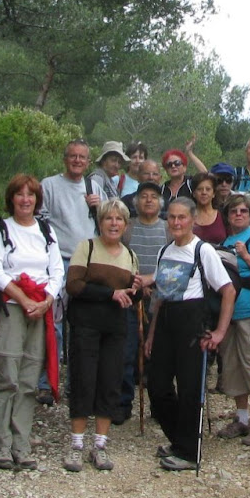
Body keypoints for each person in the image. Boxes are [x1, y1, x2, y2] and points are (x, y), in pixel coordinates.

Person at [0, 174, 65, 470]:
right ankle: (1, 444)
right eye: (20, 194)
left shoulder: (46, 230)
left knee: (28, 379)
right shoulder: (0, 231)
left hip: (40, 309)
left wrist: (46, 301)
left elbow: (56, 270)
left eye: (30, 195)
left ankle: (22, 443)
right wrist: (24, 300)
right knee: (8, 377)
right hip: (12, 309)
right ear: (11, 198)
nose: (25, 200)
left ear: (37, 200)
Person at [144, 198, 235, 471]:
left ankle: (188, 451)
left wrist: (220, 331)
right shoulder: (164, 251)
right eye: (171, 217)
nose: (176, 222)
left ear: (193, 219)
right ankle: (179, 439)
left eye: (182, 217)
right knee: (157, 387)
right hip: (165, 322)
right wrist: (150, 335)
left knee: (189, 388)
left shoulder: (202, 251)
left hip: (192, 323)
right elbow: (159, 295)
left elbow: (228, 290)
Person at [63, 199, 141, 472]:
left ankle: (100, 444)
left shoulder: (129, 255)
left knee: (110, 381)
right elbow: (73, 285)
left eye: (119, 219)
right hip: (86, 325)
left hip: (116, 328)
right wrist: (110, 293)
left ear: (126, 224)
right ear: (100, 222)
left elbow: (132, 295)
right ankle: (76, 445)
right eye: (109, 218)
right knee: (84, 379)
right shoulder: (87, 247)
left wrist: (138, 289)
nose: (114, 223)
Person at [39, 139, 107, 404]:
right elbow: (41, 221)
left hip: (86, 262)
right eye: (72, 156)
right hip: (57, 261)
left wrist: (98, 207)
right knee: (54, 324)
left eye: (82, 157)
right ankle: (47, 383)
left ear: (88, 162)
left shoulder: (95, 186)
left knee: (81, 325)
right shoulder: (49, 185)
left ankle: (76, 384)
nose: (77, 160)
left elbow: (107, 222)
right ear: (65, 158)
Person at [215, 194, 250, 446]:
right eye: (234, 211)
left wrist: (245, 255)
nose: (238, 215)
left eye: (243, 211)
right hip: (228, 313)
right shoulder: (224, 241)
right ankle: (241, 417)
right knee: (232, 365)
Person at [117, 182, 172, 424]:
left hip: (162, 299)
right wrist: (136, 284)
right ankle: (123, 403)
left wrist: (154, 283)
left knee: (159, 354)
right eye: (143, 196)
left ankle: (160, 406)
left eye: (153, 196)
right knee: (127, 351)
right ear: (135, 202)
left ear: (160, 203)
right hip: (131, 297)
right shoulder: (126, 229)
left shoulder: (168, 229)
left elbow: (173, 262)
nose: (148, 200)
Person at [160, 146, 207, 218]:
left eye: (177, 163)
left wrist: (190, 153)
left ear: (184, 167)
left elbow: (205, 175)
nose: (173, 166)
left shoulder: (191, 184)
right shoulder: (162, 189)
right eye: (169, 164)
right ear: (166, 169)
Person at [192, 172, 228, 244]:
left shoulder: (223, 215)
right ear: (194, 193)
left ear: (214, 193)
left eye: (208, 189)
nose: (204, 192)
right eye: (199, 189)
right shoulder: (187, 217)